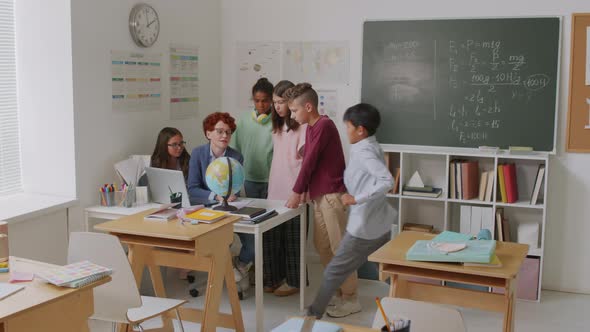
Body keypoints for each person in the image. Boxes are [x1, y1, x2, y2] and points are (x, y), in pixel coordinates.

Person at [306, 103, 396, 318]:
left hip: (366, 224)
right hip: (374, 221)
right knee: (380, 268)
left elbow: (387, 180)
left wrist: (357, 198)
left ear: (360, 129)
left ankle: (312, 316)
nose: (345, 131)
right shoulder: (367, 145)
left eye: (348, 127)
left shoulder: (365, 151)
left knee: (336, 268)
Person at [284, 83, 358, 314]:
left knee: (338, 248)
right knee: (323, 246)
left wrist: (296, 191)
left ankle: (351, 298)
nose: (292, 115)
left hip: (331, 195)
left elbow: (311, 161)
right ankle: (337, 292)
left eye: (294, 111)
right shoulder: (311, 127)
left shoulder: (324, 125)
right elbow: (313, 158)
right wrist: (306, 188)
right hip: (319, 196)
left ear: (308, 106)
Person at [230, 77, 277, 290]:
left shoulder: (278, 121)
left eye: (265, 101)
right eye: (257, 101)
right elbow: (234, 150)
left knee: (268, 229)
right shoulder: (242, 121)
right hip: (248, 180)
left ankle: (265, 273)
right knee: (251, 229)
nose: (261, 105)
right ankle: (248, 266)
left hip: (271, 180)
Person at [266, 80, 307, 296]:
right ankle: (273, 278)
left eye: (282, 102)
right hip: (275, 190)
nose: (278, 106)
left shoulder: (302, 126)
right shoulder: (276, 126)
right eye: (275, 102)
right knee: (272, 239)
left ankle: (294, 282)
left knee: (294, 242)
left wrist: (299, 192)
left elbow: (306, 163)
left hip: (294, 192)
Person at [187, 112, 242, 205]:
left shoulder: (236, 157)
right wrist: (215, 196)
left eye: (228, 132)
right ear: (208, 134)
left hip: (228, 205)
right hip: (202, 205)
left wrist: (229, 196)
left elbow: (235, 190)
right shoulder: (198, 153)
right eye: (220, 131)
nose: (225, 136)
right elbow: (192, 189)